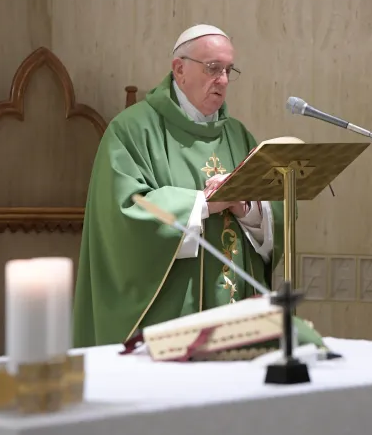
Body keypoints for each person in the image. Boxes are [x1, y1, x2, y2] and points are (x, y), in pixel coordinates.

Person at [72, 24, 285, 348]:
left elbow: (275, 213)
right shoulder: (131, 131)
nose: (223, 80)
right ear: (179, 69)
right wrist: (202, 204)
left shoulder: (238, 136)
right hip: (170, 321)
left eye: (229, 70)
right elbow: (121, 217)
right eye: (213, 68)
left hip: (237, 318)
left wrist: (248, 208)